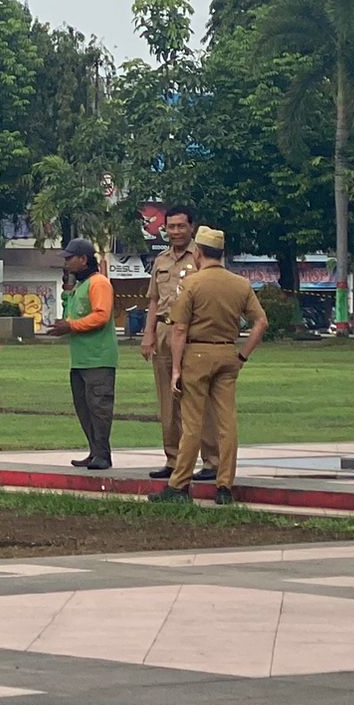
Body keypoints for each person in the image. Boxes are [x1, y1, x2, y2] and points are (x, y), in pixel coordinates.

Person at [149, 226, 268, 506]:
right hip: (228, 354)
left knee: (193, 424)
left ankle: (179, 486)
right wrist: (242, 356)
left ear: (199, 252)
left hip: (197, 355)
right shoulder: (240, 284)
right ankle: (224, 485)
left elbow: (179, 330)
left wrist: (176, 368)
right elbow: (261, 323)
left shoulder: (191, 284)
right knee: (227, 424)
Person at [140, 204, 218, 484]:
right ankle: (173, 459)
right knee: (167, 400)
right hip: (164, 329)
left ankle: (212, 461)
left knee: (200, 398)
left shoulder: (202, 257)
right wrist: (148, 334)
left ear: (192, 227)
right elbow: (153, 300)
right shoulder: (161, 260)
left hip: (194, 332)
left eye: (180, 226)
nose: (175, 232)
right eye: (170, 227)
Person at [48, 238, 116, 471]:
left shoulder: (99, 283)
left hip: (98, 358)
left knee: (99, 407)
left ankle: (103, 455)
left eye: (69, 259)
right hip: (80, 359)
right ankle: (94, 451)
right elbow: (72, 316)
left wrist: (71, 327)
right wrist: (67, 295)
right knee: (84, 407)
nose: (66, 263)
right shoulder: (80, 286)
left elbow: (101, 316)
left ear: (83, 259)